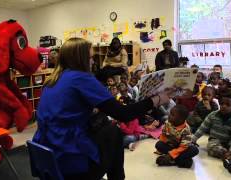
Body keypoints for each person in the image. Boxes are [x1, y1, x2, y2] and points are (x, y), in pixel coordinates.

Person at [32, 38, 172, 180]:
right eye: (91, 58)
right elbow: (123, 114)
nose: (93, 62)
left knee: (105, 126)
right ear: (81, 59)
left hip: (45, 155)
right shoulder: (81, 78)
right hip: (69, 160)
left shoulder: (52, 80)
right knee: (114, 132)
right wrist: (157, 99)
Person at [192, 92, 231, 175]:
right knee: (211, 147)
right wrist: (193, 140)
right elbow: (202, 128)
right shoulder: (212, 115)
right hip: (216, 140)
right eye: (222, 104)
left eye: (228, 105)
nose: (223, 106)